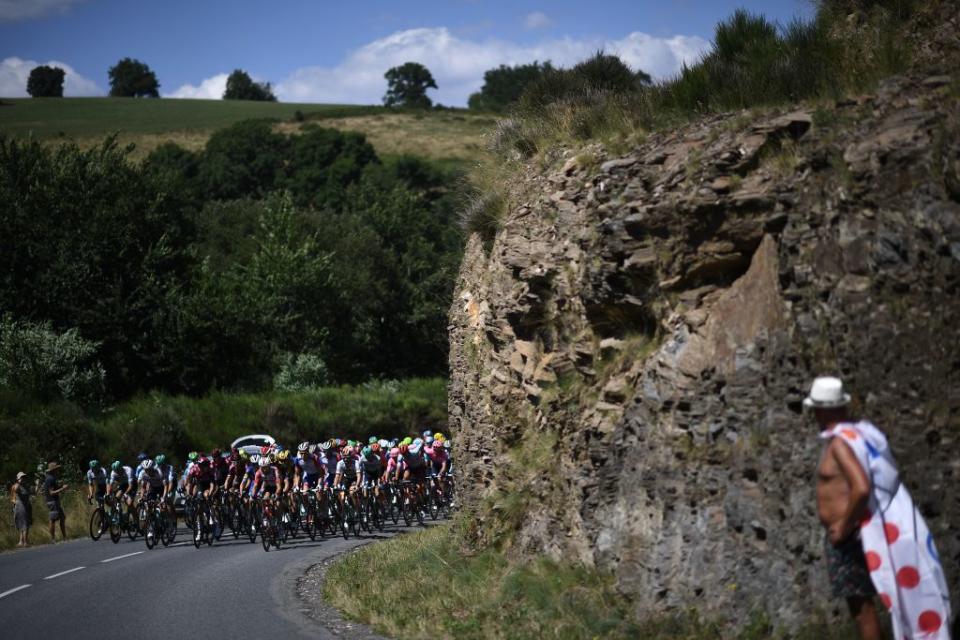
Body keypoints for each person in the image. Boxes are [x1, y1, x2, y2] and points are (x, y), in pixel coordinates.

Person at [807, 376, 951, 640]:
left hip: (849, 537)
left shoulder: (840, 444)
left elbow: (861, 486)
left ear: (823, 409)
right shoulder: (859, 432)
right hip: (857, 532)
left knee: (862, 610)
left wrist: (843, 526)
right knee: (867, 607)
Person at [42, 462, 68, 542]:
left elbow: (52, 489)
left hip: (54, 501)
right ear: (54, 470)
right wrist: (62, 489)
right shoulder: (50, 479)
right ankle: (53, 539)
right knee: (53, 520)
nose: (58, 470)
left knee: (62, 518)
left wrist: (60, 486)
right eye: (57, 469)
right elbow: (51, 492)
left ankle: (64, 537)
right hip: (52, 501)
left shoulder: (51, 478)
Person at [10, 471, 32, 547]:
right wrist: (15, 504)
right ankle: (24, 542)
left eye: (24, 477)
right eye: (21, 477)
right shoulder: (16, 486)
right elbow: (13, 497)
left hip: (27, 505)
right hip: (20, 506)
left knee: (25, 523)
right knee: (23, 523)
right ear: (18, 479)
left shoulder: (26, 486)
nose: (23, 479)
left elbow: (32, 493)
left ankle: (21, 542)